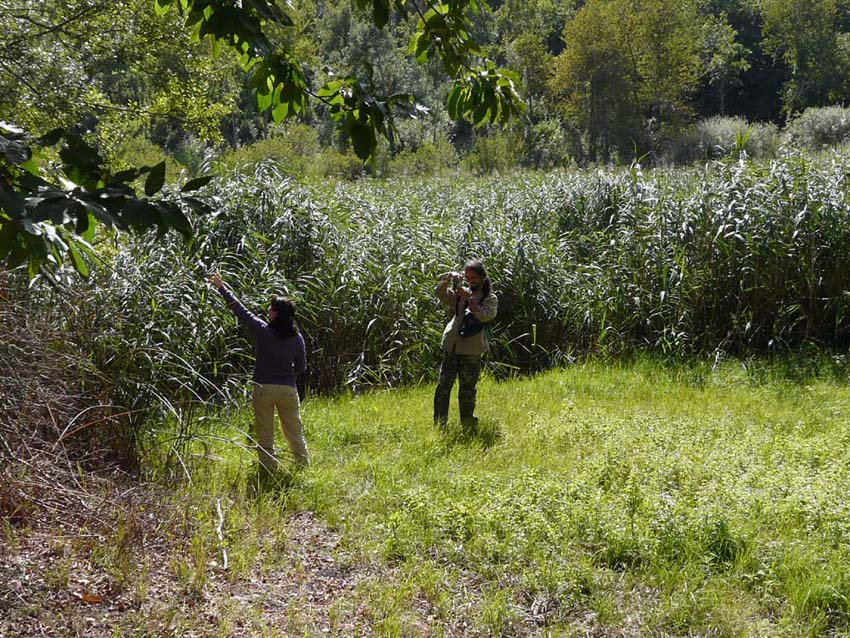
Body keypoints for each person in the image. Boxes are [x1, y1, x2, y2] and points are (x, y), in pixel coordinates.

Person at [209, 274, 309, 471]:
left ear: (276, 314)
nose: (268, 310)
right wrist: (286, 374)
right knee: (294, 431)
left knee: (265, 433)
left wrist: (222, 288)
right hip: (288, 389)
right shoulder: (297, 338)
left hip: (263, 388)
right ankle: (302, 466)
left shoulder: (263, 331)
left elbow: (240, 310)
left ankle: (268, 468)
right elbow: (301, 366)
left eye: (271, 308)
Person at [433, 259, 498, 430]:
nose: (471, 281)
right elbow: (439, 293)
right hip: (451, 346)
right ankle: (440, 425)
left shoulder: (490, 298)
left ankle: (468, 425)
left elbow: (485, 316)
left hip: (471, 351)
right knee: (443, 387)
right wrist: (449, 277)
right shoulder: (460, 294)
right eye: (467, 277)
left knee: (467, 389)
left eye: (474, 277)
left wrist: (469, 299)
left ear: (482, 277)